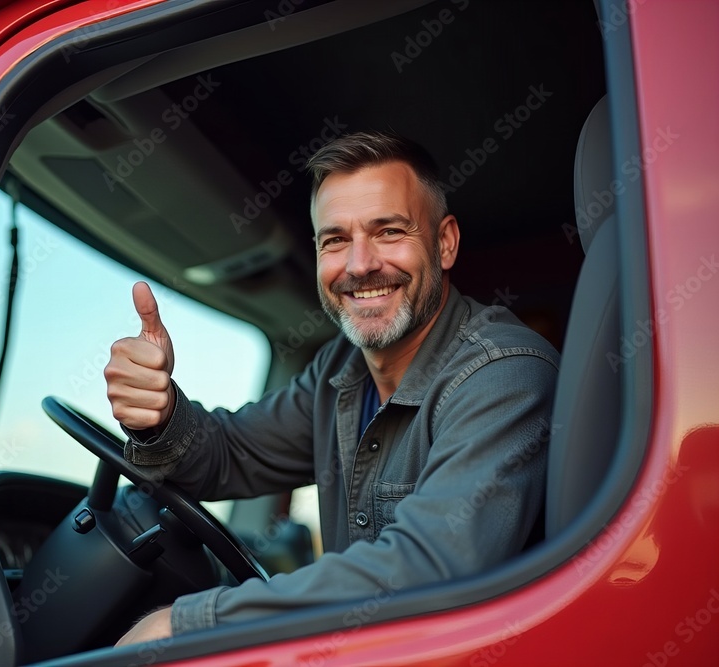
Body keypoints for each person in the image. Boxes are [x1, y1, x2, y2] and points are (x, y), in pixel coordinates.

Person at [105, 132, 560, 645]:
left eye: (388, 231)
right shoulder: (338, 371)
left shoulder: (506, 374)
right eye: (336, 240)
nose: (360, 264)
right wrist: (160, 413)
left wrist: (185, 624)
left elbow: (432, 568)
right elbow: (228, 453)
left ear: (445, 242)